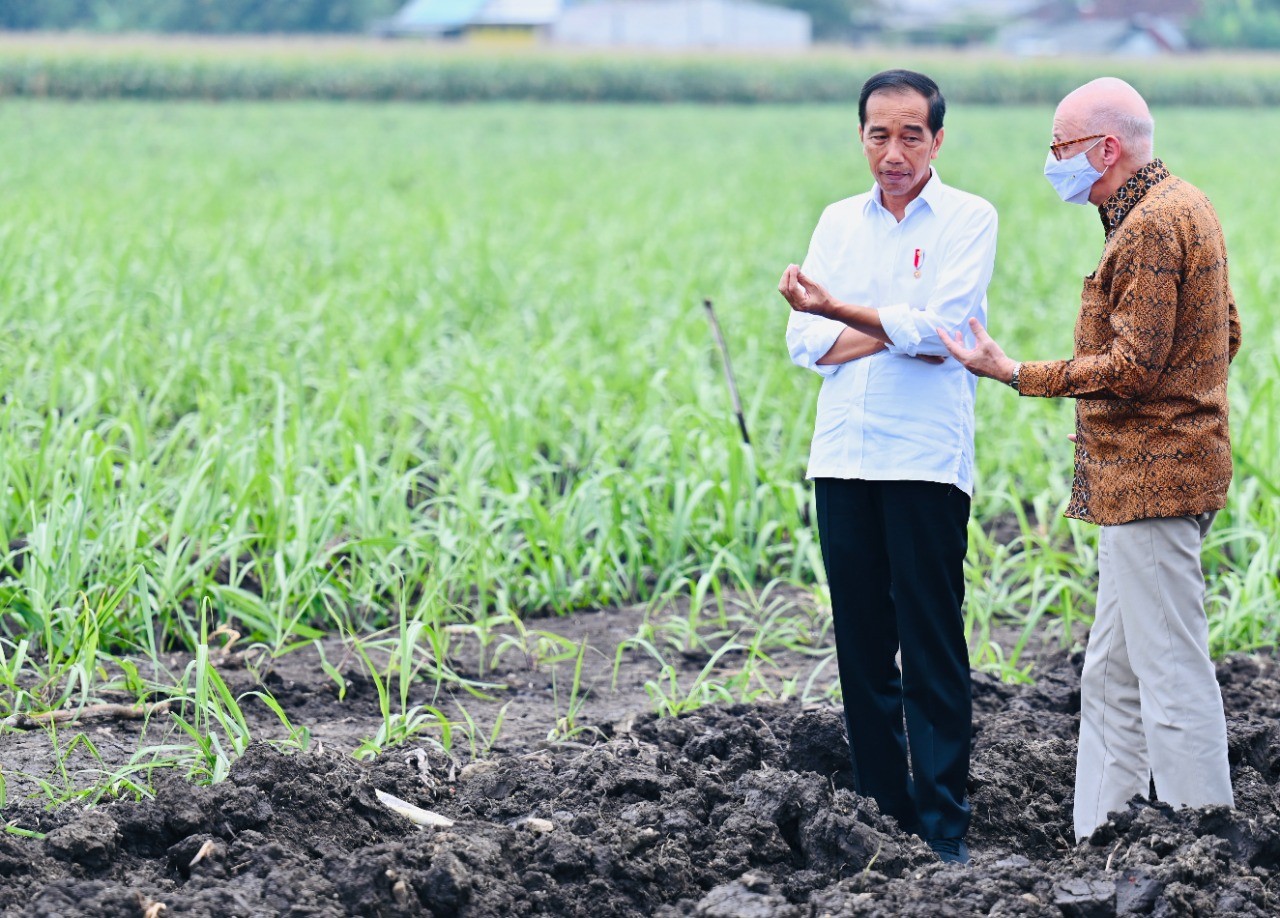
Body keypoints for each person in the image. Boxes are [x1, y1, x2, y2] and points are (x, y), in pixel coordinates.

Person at [938, 77, 1240, 842]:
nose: (1053, 161)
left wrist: (1017, 373)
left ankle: (1202, 839)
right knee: (1112, 675)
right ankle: (1098, 835)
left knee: (1169, 669)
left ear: (1107, 149)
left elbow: (1135, 366)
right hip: (1155, 477)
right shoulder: (1185, 204)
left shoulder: (1147, 225)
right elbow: (1225, 331)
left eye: (1061, 146)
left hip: (1151, 484)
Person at [779, 69, 998, 865]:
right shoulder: (839, 221)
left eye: (911, 134)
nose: (894, 150)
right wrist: (893, 325)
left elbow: (947, 332)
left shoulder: (969, 217)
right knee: (862, 648)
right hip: (843, 457)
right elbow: (803, 347)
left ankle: (944, 828)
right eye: (879, 134)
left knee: (931, 647)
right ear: (861, 136)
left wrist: (841, 311)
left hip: (924, 462)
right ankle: (882, 816)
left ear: (938, 139)